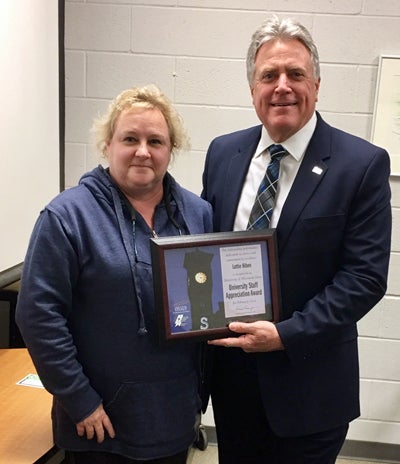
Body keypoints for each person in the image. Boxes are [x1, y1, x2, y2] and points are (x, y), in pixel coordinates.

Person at [201, 16, 391, 464]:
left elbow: (364, 278)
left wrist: (285, 335)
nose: (282, 86)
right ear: (253, 90)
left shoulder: (360, 165)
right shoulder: (223, 152)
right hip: (233, 384)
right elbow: (207, 250)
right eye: (269, 75)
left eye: (296, 74)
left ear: (317, 85)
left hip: (311, 387)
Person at [16, 84, 213, 464]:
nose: (143, 150)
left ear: (171, 150)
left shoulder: (198, 214)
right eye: (130, 138)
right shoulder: (67, 216)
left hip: (174, 418)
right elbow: (37, 316)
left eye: (156, 140)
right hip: (100, 423)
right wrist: (79, 400)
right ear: (107, 145)